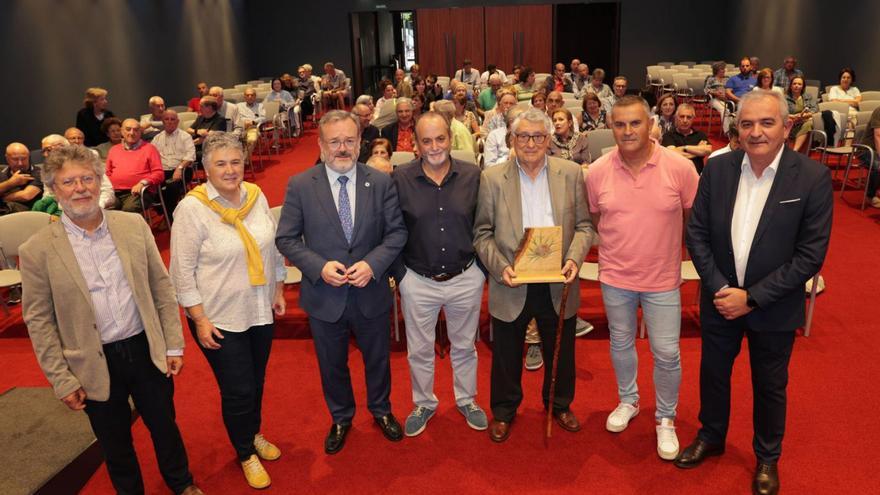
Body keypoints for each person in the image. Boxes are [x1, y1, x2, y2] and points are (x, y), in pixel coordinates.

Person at [20, 144, 204, 495]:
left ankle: (182, 484)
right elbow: (40, 322)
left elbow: (161, 288)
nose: (80, 188)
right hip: (90, 360)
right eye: (69, 182)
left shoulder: (133, 225)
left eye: (87, 178)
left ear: (100, 180)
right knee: (114, 442)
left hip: (144, 348)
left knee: (165, 427)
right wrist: (61, 379)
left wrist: (173, 343)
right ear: (55, 191)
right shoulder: (37, 250)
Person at [678, 90, 834, 495]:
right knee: (713, 374)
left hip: (774, 307)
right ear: (737, 129)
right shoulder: (717, 169)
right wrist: (721, 288)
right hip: (719, 300)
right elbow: (696, 234)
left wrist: (751, 297)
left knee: (770, 384)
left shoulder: (813, 178)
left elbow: (809, 256)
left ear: (786, 127)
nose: (756, 132)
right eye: (747, 124)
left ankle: (767, 457)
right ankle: (711, 436)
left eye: (766, 123)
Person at [275, 110, 407, 454]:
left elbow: (396, 234)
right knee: (331, 364)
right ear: (320, 145)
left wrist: (372, 265)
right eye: (334, 142)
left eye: (349, 140)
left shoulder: (380, 182)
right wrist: (318, 267)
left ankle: (381, 410)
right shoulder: (301, 185)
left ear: (360, 143)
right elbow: (286, 239)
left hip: (371, 290)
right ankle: (341, 417)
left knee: (378, 359)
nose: (342, 148)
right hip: (324, 296)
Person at [587, 95, 700, 461]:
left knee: (666, 353)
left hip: (662, 280)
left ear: (650, 124)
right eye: (619, 124)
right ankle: (628, 400)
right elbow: (594, 220)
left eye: (635, 123)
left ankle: (665, 417)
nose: (627, 131)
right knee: (620, 343)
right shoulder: (598, 170)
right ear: (610, 126)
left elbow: (691, 219)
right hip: (615, 276)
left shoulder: (680, 168)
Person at [170, 133, 286, 489]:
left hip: (258, 308)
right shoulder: (192, 208)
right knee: (237, 389)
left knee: (256, 381)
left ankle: (252, 433)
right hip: (218, 318)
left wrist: (278, 286)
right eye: (220, 163)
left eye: (235, 161)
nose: (230, 170)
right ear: (205, 169)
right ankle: (244, 452)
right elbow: (180, 271)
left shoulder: (255, 195)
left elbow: (272, 245)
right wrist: (199, 319)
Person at [473, 107, 594, 442]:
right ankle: (504, 411)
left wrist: (574, 259)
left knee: (561, 350)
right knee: (507, 354)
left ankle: (559, 404)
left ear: (548, 139)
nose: (530, 143)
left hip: (559, 280)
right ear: (512, 139)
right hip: (512, 280)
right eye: (523, 136)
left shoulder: (570, 174)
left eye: (538, 136)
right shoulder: (492, 178)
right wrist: (501, 267)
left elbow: (585, 227)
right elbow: (481, 233)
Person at [393, 111, 487, 437]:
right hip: (417, 280)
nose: (435, 146)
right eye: (426, 140)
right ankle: (424, 403)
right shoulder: (399, 178)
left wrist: (482, 271)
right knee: (419, 349)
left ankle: (466, 399)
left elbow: (486, 225)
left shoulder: (474, 176)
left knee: (464, 346)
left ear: (451, 138)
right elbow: (391, 230)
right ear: (416, 144)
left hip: (465, 277)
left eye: (440, 138)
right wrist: (400, 275)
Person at [38, 134, 116, 211]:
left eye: (48, 150)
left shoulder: (88, 159)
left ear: (61, 147)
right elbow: (48, 194)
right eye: (43, 151)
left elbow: (107, 190)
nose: (45, 154)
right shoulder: (49, 167)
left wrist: (95, 207)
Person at [105, 118, 164, 213]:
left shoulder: (150, 149)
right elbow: (107, 173)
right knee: (102, 207)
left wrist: (142, 183)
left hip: (140, 192)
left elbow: (159, 173)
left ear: (140, 132)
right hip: (115, 192)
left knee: (128, 210)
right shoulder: (114, 150)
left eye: (136, 130)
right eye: (128, 129)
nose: (132, 133)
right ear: (121, 131)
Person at [151, 109, 196, 214]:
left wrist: (179, 169)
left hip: (182, 170)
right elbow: (151, 156)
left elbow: (190, 156)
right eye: (167, 119)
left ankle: (169, 217)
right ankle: (167, 213)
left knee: (171, 187)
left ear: (177, 121)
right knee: (151, 188)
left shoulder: (185, 136)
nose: (170, 121)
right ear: (163, 121)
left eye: (173, 119)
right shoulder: (157, 138)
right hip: (162, 171)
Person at [661, 104, 712, 173]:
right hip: (675, 175)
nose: (685, 120)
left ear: (693, 119)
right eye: (682, 117)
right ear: (676, 117)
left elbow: (708, 150)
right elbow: (672, 154)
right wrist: (697, 150)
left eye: (689, 117)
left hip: (696, 176)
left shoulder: (700, 135)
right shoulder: (668, 135)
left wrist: (685, 148)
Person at [0, 142, 42, 212]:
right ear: (7, 158)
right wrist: (10, 183)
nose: (20, 163)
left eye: (24, 159)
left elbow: (26, 196)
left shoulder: (38, 172)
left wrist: (2, 198)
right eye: (15, 159)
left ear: (29, 157)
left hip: (26, 214)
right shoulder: (2, 172)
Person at [785, 76, 818, 153]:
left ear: (803, 86)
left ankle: (795, 151)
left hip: (803, 121)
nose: (797, 86)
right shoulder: (785, 98)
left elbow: (814, 110)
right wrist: (792, 116)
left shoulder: (808, 97)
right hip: (790, 122)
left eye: (799, 84)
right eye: (794, 84)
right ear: (791, 86)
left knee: (809, 123)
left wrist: (803, 116)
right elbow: (780, 112)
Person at [859, 106, 880, 208]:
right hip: (867, 149)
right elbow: (878, 136)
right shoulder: (879, 111)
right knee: (878, 165)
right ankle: (870, 195)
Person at [705, 61, 734, 134]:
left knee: (729, 110)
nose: (724, 70)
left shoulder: (728, 78)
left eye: (724, 69)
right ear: (717, 70)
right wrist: (715, 93)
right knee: (723, 110)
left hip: (726, 99)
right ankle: (728, 132)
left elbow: (732, 88)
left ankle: (732, 129)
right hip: (714, 99)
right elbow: (706, 90)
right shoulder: (711, 79)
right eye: (722, 69)